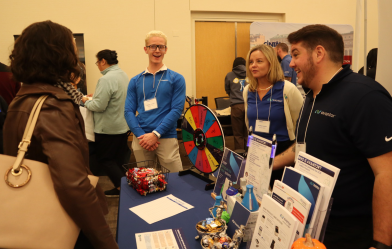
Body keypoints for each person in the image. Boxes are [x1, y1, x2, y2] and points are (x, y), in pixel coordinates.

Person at [274, 24, 392, 249]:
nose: (291, 63)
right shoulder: (312, 95)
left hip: (351, 233)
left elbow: (387, 172)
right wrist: (271, 164)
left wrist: (381, 244)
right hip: (312, 225)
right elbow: (303, 147)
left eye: (296, 54)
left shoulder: (365, 97)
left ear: (319, 53)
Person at [4, 20, 118, 249]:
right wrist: (107, 242)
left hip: (32, 215)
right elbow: (74, 185)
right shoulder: (53, 106)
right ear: (59, 56)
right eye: (72, 52)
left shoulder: (23, 97)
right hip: (62, 221)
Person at [124, 30, 186, 172]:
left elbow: (176, 110)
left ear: (165, 50)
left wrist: (155, 134)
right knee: (147, 183)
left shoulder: (176, 78)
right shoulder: (135, 81)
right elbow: (128, 111)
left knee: (175, 181)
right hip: (142, 139)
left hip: (166, 137)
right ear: (146, 49)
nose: (157, 50)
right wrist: (141, 135)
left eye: (161, 47)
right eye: (153, 46)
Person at [243, 44, 303, 188]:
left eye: (259, 61)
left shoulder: (287, 89)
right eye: (251, 62)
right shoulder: (247, 91)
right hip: (256, 151)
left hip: (282, 153)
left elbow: (301, 125)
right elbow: (248, 123)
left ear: (271, 63)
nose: (253, 66)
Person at [82, 50, 130, 197]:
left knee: (105, 159)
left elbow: (99, 106)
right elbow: (115, 98)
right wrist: (96, 96)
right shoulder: (122, 74)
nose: (98, 66)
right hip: (122, 125)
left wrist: (85, 101)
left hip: (108, 128)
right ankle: (123, 186)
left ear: (103, 61)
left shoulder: (105, 79)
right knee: (117, 159)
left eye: (97, 63)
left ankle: (123, 188)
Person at [224, 57, 248, 151]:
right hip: (249, 106)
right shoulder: (250, 74)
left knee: (238, 134)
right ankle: (248, 155)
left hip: (236, 106)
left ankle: (240, 156)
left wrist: (234, 96)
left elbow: (227, 90)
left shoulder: (229, 75)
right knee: (247, 133)